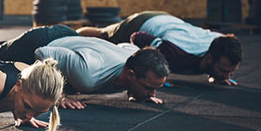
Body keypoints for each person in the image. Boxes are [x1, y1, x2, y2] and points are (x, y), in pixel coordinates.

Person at [76, 11, 242, 85]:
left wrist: (219, 75)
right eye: (223, 70)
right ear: (210, 58)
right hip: (144, 22)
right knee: (103, 34)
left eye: (230, 72)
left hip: (170, 20)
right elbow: (138, 37)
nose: (227, 76)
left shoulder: (220, 42)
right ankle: (72, 36)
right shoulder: (175, 54)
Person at [33, 36, 170, 107]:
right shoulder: (89, 75)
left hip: (77, 43)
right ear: (130, 74)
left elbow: (126, 46)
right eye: (148, 87)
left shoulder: (135, 57)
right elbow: (42, 52)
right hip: (44, 40)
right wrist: (57, 95)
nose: (152, 94)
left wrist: (139, 91)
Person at [0, 24, 78, 62]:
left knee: (1, 50)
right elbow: (41, 52)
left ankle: (2, 45)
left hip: (63, 33)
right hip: (40, 44)